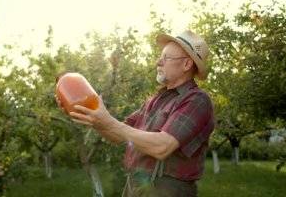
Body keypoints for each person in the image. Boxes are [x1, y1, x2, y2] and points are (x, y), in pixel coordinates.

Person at [58, 30, 215, 197]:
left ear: (186, 64)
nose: (158, 62)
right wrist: (91, 116)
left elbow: (162, 147)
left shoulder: (197, 100)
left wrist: (109, 122)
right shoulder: (154, 101)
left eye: (166, 58)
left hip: (166, 191)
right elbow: (117, 134)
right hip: (135, 186)